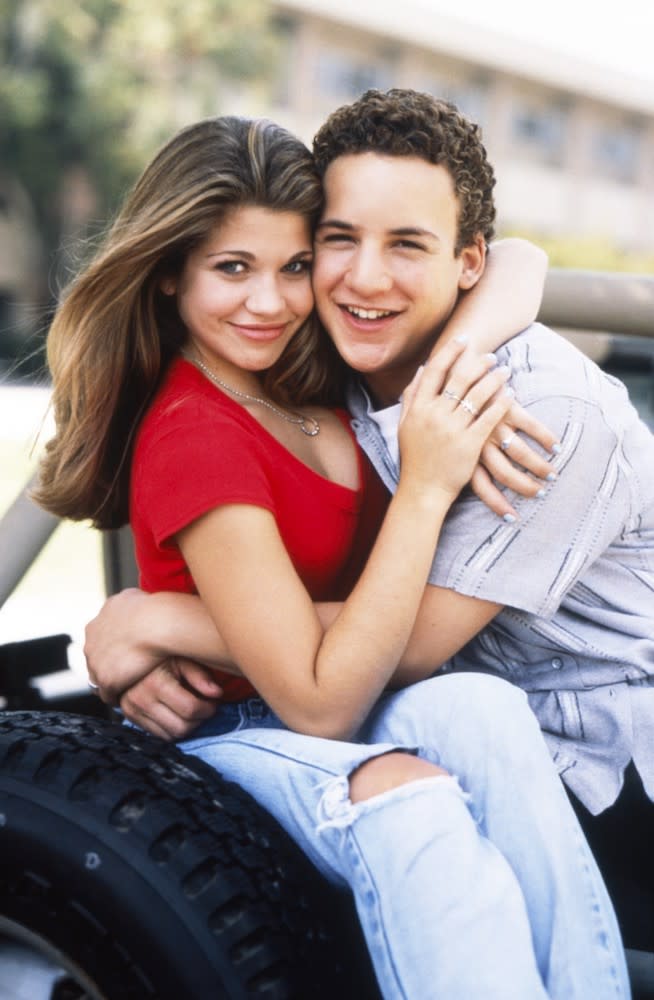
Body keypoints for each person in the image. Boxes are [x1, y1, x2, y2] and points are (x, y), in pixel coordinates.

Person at [37, 114, 629, 998]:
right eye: (232, 269)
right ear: (170, 275)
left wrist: (455, 364)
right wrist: (426, 486)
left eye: (295, 266)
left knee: (483, 715)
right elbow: (319, 700)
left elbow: (520, 260)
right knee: (408, 795)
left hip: (348, 695)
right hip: (237, 725)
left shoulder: (319, 376)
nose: (269, 302)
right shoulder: (199, 429)